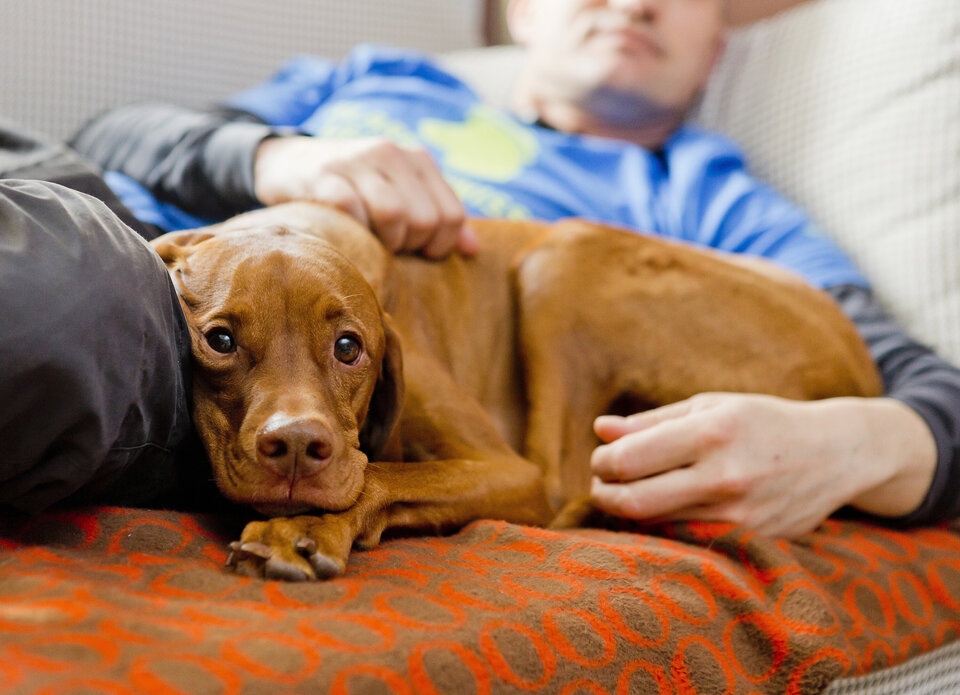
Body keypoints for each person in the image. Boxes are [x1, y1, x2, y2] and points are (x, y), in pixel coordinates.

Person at [8, 0, 959, 537]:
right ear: (521, 15)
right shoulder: (371, 79)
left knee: (45, 307)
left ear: (719, 46)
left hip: (135, 338)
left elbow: (910, 381)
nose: (634, 1)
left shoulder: (709, 198)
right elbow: (115, 136)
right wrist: (279, 157)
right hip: (121, 232)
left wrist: (856, 445)